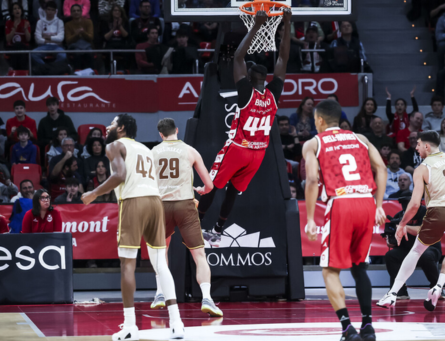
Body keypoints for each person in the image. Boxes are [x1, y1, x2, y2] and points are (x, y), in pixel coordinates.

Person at [82, 114, 185, 340]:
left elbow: (120, 175)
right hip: (155, 202)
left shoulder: (113, 145)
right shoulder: (145, 149)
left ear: (121, 129)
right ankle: (177, 323)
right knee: (160, 265)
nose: (107, 126)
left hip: (133, 202)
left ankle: (130, 327)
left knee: (127, 265)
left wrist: (93, 193)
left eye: (112, 123)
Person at [198, 9, 290, 246]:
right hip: (258, 154)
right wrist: (286, 23)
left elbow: (238, 57)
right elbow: (283, 58)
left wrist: (256, 26)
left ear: (248, 78)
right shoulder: (273, 94)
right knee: (232, 192)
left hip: (239, 147)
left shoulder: (246, 91)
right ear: (266, 78)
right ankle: (218, 230)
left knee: (211, 185)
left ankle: (195, 226)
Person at [303, 99, 386, 341]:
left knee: (330, 270)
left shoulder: (314, 143)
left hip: (341, 202)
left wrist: (310, 218)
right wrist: (379, 204)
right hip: (366, 202)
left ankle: (347, 329)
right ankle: (368, 326)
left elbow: (310, 181)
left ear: (319, 120)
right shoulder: (361, 138)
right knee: (360, 268)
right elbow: (381, 168)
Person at [377, 130, 445, 311]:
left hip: (439, 211)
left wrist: (401, 224)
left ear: (426, 146)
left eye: (418, 144)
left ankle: (392, 293)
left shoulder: (422, 168)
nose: (415, 147)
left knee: (416, 251)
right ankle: (438, 286)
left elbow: (415, 204)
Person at [151, 118, 223, 317]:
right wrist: (201, 189)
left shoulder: (152, 153)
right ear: (176, 130)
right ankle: (207, 298)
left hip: (161, 206)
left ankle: (159, 293)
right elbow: (209, 185)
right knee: (199, 255)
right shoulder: (190, 151)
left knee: (161, 251)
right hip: (185, 204)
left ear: (160, 134)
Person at [384, 191, 443, 299]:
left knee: (426, 256)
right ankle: (400, 291)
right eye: (403, 203)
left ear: (418, 202)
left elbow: (423, 230)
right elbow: (394, 241)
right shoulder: (399, 216)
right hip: (407, 249)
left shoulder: (428, 213)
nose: (406, 205)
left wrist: (404, 227)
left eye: (408, 202)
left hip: (429, 247)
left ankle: (436, 289)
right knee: (391, 256)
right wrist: (391, 239)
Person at [33, 1, 65, 65]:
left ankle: (50, 68)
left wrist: (47, 37)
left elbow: (61, 38)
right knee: (33, 54)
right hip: (43, 46)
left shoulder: (60, 22)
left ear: (55, 12)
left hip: (57, 46)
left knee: (63, 56)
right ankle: (47, 67)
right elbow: (38, 40)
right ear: (45, 10)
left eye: (52, 10)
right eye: (48, 9)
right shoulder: (40, 22)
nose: (50, 12)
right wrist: (54, 39)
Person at [64, 4, 93, 70]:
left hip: (87, 45)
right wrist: (76, 34)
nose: (76, 12)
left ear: (81, 12)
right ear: (71, 13)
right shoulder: (68, 24)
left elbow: (91, 37)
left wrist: (83, 33)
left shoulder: (88, 22)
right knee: (77, 53)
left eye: (78, 11)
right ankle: (77, 72)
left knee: (89, 52)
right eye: (74, 11)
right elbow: (68, 40)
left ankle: (91, 72)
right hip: (74, 46)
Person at [5, 3, 31, 71]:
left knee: (19, 46)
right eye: (15, 8)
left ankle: (13, 68)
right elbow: (8, 39)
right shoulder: (8, 23)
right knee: (17, 46)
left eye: (19, 8)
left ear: (21, 11)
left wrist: (25, 29)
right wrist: (14, 29)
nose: (17, 10)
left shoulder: (25, 22)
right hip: (11, 47)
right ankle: (23, 70)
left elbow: (28, 39)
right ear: (12, 12)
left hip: (24, 47)